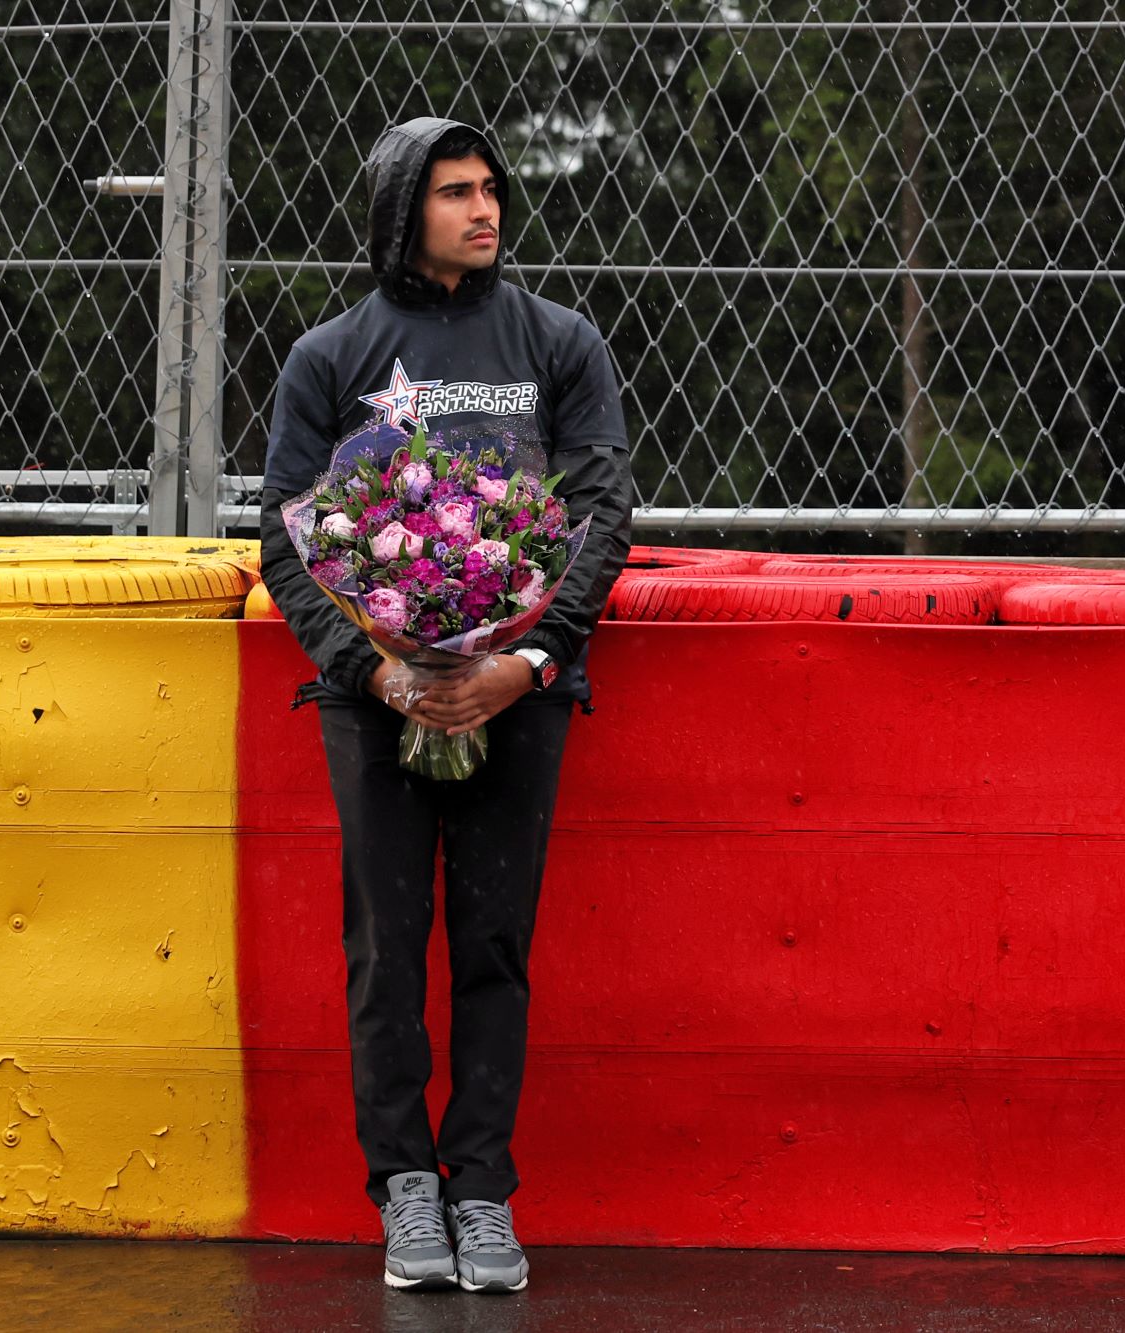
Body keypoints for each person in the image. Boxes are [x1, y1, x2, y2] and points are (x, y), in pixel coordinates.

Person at [259, 116, 633, 1294]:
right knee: (382, 953)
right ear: (399, 208)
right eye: (456, 192)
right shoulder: (331, 354)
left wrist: (517, 665)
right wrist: (381, 668)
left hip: (517, 697)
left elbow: (600, 515)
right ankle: (404, 1191)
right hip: (371, 701)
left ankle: (479, 1191)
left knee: (491, 949)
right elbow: (284, 536)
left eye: (491, 190)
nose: (486, 210)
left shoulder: (560, 341)